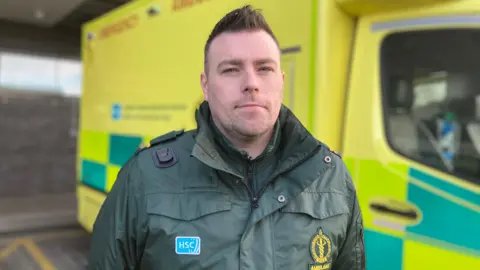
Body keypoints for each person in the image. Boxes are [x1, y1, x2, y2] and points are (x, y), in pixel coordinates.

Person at [87, 5, 365, 270]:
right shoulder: (143, 178)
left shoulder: (332, 178)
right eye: (231, 69)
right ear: (206, 86)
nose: (251, 84)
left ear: (281, 80)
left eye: (264, 68)